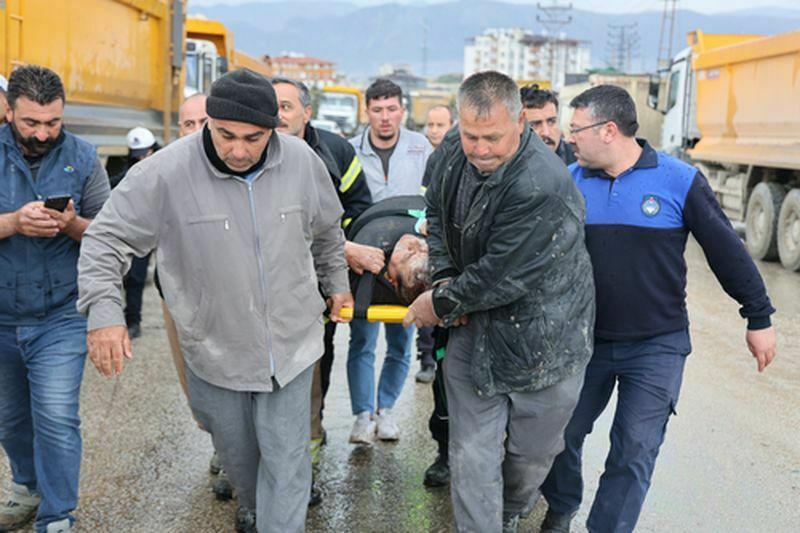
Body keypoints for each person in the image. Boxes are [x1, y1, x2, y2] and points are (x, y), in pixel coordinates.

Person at [76, 69, 353, 533]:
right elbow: (105, 241)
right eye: (226, 135)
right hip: (215, 348)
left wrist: (336, 280)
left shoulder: (302, 161)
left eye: (254, 138)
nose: (239, 150)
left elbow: (326, 230)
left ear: (273, 129)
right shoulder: (164, 173)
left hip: (293, 341)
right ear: (208, 121)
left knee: (286, 462)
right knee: (241, 459)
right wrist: (105, 314)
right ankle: (254, 502)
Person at [538, 85, 778, 533]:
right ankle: (562, 504)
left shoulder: (678, 180)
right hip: (581, 342)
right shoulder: (568, 182)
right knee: (559, 436)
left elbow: (726, 250)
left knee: (634, 450)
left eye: (577, 130)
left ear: (608, 131)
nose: (570, 139)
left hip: (656, 345)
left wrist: (758, 316)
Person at [403, 70, 596, 533]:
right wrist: (447, 278)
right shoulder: (453, 148)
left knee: (529, 458)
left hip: (545, 341)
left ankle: (510, 510)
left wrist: (440, 301)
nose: (480, 148)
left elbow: (499, 276)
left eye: (492, 137)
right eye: (471, 135)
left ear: (520, 124)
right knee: (471, 454)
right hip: (475, 328)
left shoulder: (540, 183)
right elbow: (437, 214)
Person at [0, 65, 111, 533]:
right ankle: (26, 486)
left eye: (53, 123)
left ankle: (58, 515)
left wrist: (71, 225)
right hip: (2, 315)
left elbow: (110, 235)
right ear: (9, 111)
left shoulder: (85, 158)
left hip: (62, 315)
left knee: (57, 416)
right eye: (31, 123)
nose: (43, 133)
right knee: (9, 419)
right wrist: (12, 223)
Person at [271, 76, 372, 505]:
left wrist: (336, 253)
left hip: (313, 291)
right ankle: (244, 457)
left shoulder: (337, 152)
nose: (277, 115)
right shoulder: (247, 151)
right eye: (270, 105)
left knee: (312, 371)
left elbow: (360, 209)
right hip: (260, 291)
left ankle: (304, 460)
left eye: (286, 107)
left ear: (307, 112)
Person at [347, 79, 432, 443]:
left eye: (392, 109)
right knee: (361, 339)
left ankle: (386, 411)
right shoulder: (350, 149)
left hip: (410, 265)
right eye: (378, 110)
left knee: (401, 341)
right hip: (365, 261)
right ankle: (362, 416)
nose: (385, 117)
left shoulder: (421, 147)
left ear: (403, 110)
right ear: (367, 112)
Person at [414, 104, 455, 385]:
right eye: (430, 125)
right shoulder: (433, 161)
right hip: (434, 245)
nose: (434, 131)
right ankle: (427, 359)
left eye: (440, 125)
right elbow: (424, 206)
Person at [109, 126, 159, 339]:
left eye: (145, 155)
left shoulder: (169, 165)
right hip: (142, 231)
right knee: (135, 277)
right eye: (136, 156)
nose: (141, 160)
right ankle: (133, 321)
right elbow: (111, 186)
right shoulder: (129, 171)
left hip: (167, 228)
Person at [520, 84, 575, 165]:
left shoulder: (579, 161)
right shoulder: (503, 164)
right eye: (534, 125)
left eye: (551, 122)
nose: (546, 133)